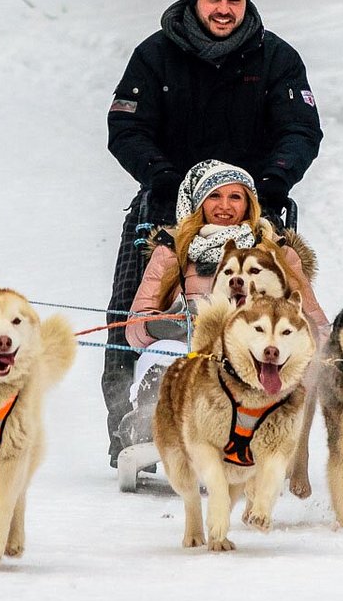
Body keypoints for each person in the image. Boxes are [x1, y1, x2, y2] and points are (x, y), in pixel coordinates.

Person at [103, 0, 323, 464]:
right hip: (166, 203)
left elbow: (300, 129)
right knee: (129, 310)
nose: (224, 8)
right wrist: (161, 177)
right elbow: (126, 127)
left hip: (254, 208)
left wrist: (271, 184)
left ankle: (259, 421)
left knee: (264, 318)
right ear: (193, 0)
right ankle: (129, 425)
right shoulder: (154, 56)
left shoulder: (277, 59)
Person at [115, 159, 328, 451]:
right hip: (186, 346)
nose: (224, 206)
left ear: (249, 204)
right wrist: (174, 323)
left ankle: (242, 433)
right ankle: (153, 423)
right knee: (162, 355)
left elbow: (318, 328)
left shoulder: (278, 254)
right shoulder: (171, 252)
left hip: (253, 354)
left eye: (235, 197)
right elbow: (134, 328)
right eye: (214, 196)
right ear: (199, 202)